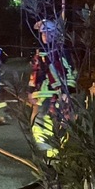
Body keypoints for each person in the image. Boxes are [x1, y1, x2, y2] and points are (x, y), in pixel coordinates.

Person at [28, 19, 77, 156]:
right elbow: (35, 74)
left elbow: (69, 72)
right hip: (41, 95)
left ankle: (54, 155)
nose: (45, 35)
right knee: (38, 124)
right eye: (43, 33)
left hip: (56, 93)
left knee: (56, 123)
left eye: (48, 32)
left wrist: (67, 92)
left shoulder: (61, 52)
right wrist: (31, 91)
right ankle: (46, 154)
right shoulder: (41, 53)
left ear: (55, 34)